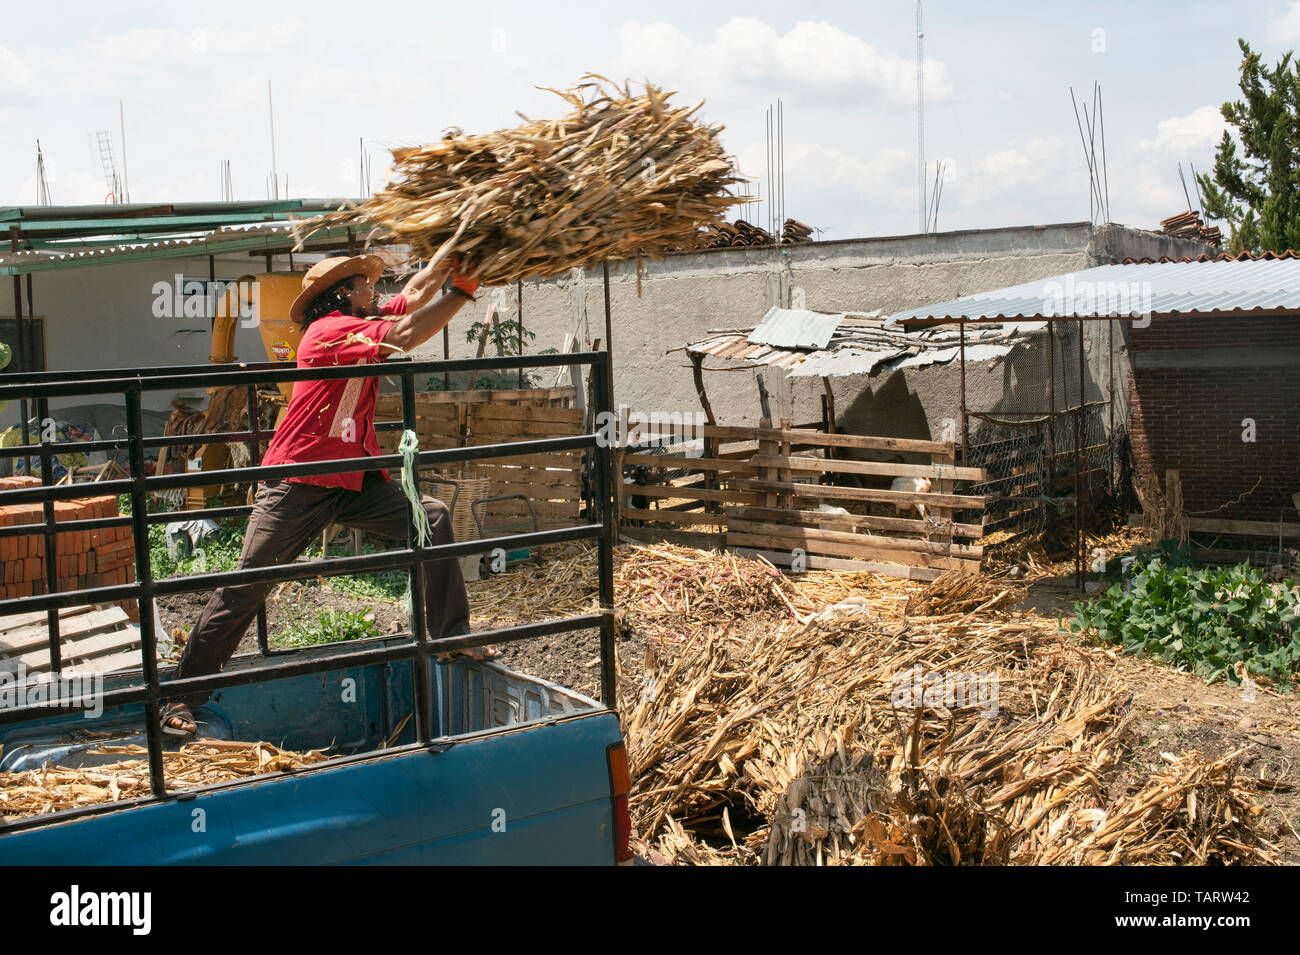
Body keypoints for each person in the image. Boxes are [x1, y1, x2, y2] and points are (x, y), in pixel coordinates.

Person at [160, 254, 487, 737]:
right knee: (247, 587)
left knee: (430, 517)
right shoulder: (330, 331)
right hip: (301, 478)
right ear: (339, 294)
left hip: (351, 478)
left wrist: (447, 261)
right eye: (364, 286)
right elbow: (407, 333)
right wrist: (462, 293)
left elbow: (414, 298)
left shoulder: (361, 322)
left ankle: (450, 635)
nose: (375, 293)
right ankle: (178, 696)